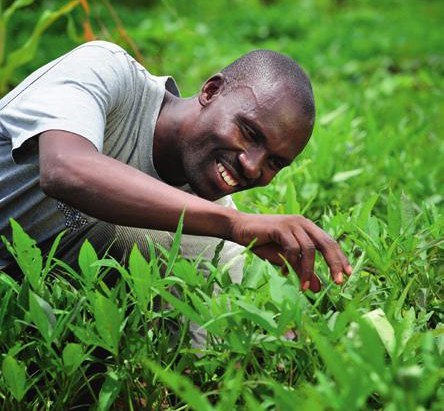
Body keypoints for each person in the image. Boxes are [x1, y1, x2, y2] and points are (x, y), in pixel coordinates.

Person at [0, 40, 352, 293]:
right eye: (248, 132)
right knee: (139, 241)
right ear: (211, 90)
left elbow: (217, 333)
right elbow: (64, 169)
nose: (251, 166)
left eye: (274, 162)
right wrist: (235, 224)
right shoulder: (106, 69)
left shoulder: (208, 221)